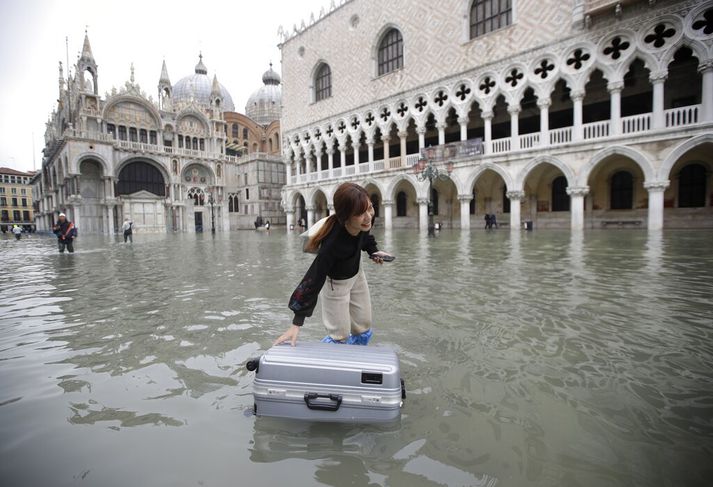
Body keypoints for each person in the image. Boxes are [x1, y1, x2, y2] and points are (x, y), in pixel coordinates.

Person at [274, 183, 393, 347]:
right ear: (346, 216)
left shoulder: (363, 223)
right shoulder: (332, 245)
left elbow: (364, 238)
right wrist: (297, 323)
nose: (368, 217)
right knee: (340, 335)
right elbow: (313, 280)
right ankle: (331, 360)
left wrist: (373, 252)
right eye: (360, 213)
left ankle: (356, 356)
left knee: (364, 325)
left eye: (370, 208)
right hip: (335, 286)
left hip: (357, 274)